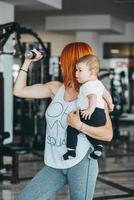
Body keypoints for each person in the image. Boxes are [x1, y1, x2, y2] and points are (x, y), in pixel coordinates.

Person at [13, 42, 113, 200]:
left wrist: (79, 125)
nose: (60, 63)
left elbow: (107, 134)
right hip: (54, 164)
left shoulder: (94, 95)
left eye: (63, 59)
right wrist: (27, 61)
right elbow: (18, 91)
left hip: (81, 163)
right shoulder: (56, 88)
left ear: (73, 63)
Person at [63, 54, 114, 160]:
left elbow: (93, 97)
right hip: (100, 115)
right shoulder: (99, 84)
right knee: (90, 131)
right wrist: (110, 105)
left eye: (80, 70)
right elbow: (107, 95)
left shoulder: (87, 85)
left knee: (72, 129)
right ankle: (98, 147)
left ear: (91, 72)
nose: (76, 73)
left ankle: (71, 151)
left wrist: (89, 110)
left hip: (91, 112)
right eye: (76, 70)